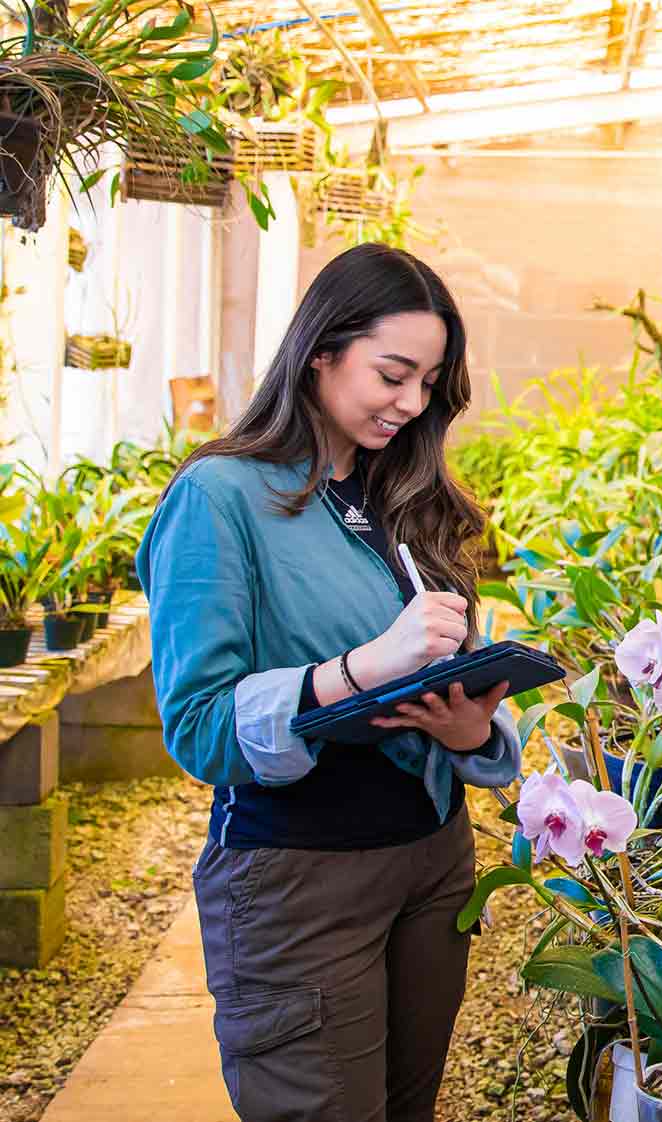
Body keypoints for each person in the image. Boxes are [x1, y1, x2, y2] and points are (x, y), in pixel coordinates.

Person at [137, 243, 523, 1122]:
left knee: (406, 1106)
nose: (412, 403)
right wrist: (358, 671)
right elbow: (198, 726)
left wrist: (472, 734)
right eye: (393, 374)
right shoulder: (222, 497)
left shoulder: (406, 499)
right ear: (321, 349)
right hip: (300, 876)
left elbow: (455, 674)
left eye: (430, 383)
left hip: (433, 861)